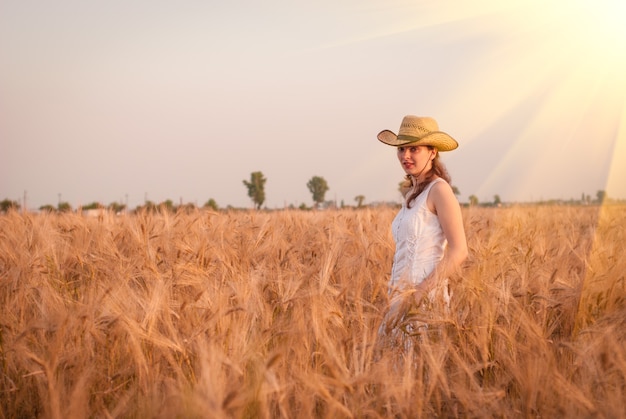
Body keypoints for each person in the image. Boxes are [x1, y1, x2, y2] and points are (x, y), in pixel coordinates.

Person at [377, 115, 468, 335]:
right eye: (401, 149)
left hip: (424, 301)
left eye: (414, 149)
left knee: (418, 364)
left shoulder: (440, 190)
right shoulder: (413, 193)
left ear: (433, 151)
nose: (405, 156)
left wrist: (418, 294)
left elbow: (459, 251)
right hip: (399, 298)